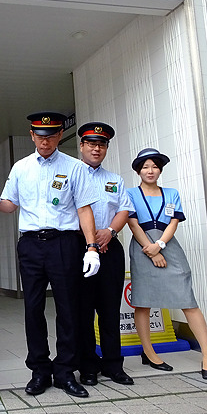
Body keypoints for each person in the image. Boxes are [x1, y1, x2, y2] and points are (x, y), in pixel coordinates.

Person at [0, 112, 101, 398]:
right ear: (32, 136)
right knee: (33, 308)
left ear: (59, 137)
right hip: (30, 244)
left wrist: (91, 247)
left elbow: (83, 209)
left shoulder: (75, 167)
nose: (46, 141)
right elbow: (9, 205)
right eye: (40, 136)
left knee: (68, 308)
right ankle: (40, 370)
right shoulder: (21, 168)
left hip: (64, 243)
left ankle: (65, 370)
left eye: (52, 135)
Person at [126, 148, 207, 379]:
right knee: (143, 301)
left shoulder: (172, 193)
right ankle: (148, 351)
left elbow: (173, 222)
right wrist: (151, 250)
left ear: (160, 170)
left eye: (154, 166)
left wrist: (161, 246)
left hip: (168, 246)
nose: (150, 170)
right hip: (142, 246)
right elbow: (133, 224)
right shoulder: (130, 193)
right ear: (138, 170)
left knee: (187, 298)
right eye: (145, 167)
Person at [76, 122, 135, 387]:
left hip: (110, 249)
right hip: (80, 249)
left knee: (110, 311)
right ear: (82, 146)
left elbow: (124, 209)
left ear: (106, 148)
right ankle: (87, 366)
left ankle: (114, 365)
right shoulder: (71, 175)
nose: (96, 148)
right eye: (91, 144)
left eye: (101, 144)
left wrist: (109, 232)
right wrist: (91, 239)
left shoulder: (115, 179)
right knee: (83, 311)